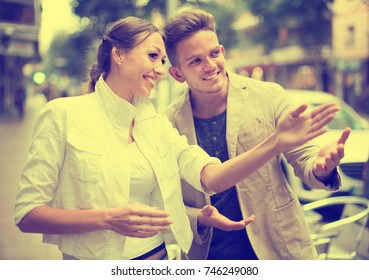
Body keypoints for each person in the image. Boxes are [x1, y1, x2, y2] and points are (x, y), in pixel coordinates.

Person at [14, 16, 339, 261]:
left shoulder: (152, 123)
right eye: (153, 57)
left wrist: (281, 146)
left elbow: (210, 178)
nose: (158, 68)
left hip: (177, 259)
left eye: (161, 60)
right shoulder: (64, 115)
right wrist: (108, 219)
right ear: (119, 55)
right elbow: (27, 214)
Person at [162, 8, 351, 260]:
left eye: (214, 53)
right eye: (195, 61)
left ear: (222, 51)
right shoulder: (167, 122)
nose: (210, 66)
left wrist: (321, 167)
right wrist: (198, 217)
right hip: (209, 256)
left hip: (279, 248)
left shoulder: (269, 96)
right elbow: (165, 201)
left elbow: (305, 160)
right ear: (177, 74)